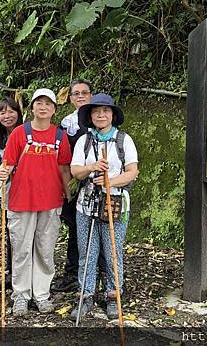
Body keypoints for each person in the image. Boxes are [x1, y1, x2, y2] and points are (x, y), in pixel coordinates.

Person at [0, 88, 72, 317]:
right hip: (21, 201)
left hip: (50, 201)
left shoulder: (60, 136)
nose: (43, 107)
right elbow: (7, 164)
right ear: (32, 108)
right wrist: (2, 172)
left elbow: (64, 168)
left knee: (45, 249)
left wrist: (66, 194)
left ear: (54, 109)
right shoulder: (19, 133)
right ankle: (20, 295)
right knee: (21, 249)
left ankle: (41, 293)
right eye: (38, 103)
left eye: (48, 104)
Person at [69, 93, 138, 321]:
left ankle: (113, 295)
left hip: (115, 205)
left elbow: (132, 172)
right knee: (87, 252)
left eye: (105, 110)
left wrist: (110, 181)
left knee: (113, 252)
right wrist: (92, 167)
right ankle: (85, 295)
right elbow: (75, 171)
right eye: (96, 110)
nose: (101, 114)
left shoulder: (123, 140)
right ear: (90, 115)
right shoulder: (84, 141)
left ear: (112, 115)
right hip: (86, 205)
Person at [52, 79, 93, 293]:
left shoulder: (100, 118)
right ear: (70, 98)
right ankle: (72, 273)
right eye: (75, 93)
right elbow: (61, 158)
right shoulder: (66, 124)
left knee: (98, 229)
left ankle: (97, 274)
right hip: (73, 183)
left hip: (96, 183)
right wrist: (66, 185)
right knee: (76, 229)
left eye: (84, 93)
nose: (80, 96)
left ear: (91, 96)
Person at [0, 97, 23, 291]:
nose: (7, 116)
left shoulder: (29, 133)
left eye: (11, 111)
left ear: (18, 113)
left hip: (31, 191)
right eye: (2, 112)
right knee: (12, 234)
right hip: (10, 192)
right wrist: (3, 172)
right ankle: (11, 273)